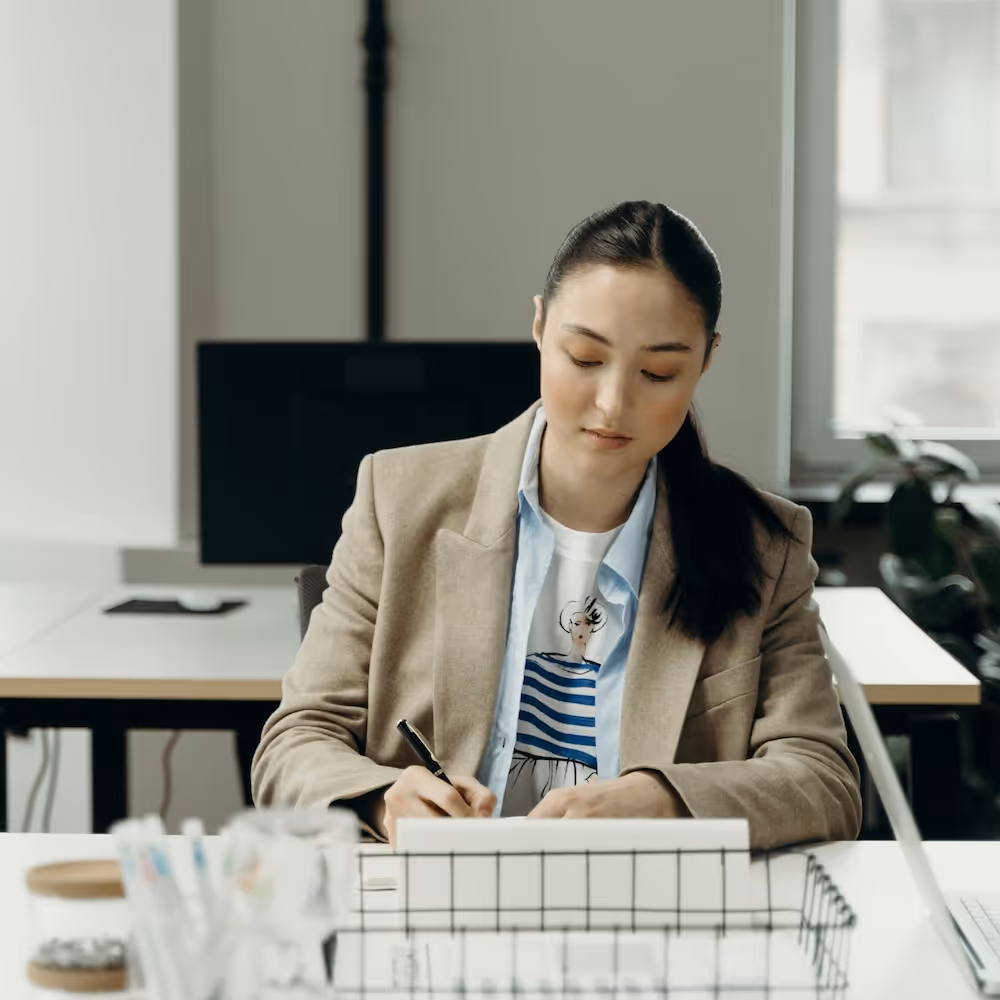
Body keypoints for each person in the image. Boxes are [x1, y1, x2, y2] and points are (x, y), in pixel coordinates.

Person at [251, 200, 862, 850]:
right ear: (540, 327)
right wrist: (382, 802)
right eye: (585, 357)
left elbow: (822, 779)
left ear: (706, 359)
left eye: (658, 372)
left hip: (641, 899)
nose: (613, 403)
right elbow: (296, 741)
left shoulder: (765, 544)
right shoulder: (400, 499)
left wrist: (666, 802)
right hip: (438, 892)